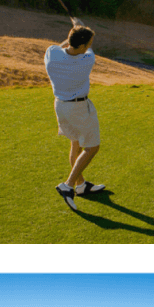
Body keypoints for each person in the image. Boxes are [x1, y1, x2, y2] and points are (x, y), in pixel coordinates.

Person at [44, 22, 106, 212]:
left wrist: (75, 32)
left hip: (60, 106)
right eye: (88, 43)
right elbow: (81, 49)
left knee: (75, 144)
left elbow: (64, 46)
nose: (89, 46)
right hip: (79, 108)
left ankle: (81, 185)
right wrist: (79, 30)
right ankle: (68, 185)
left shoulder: (51, 54)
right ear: (82, 46)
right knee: (92, 147)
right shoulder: (87, 60)